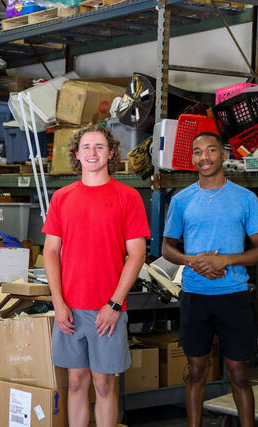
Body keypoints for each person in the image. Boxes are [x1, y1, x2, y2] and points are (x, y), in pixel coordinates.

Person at [162, 132, 258, 427]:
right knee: (196, 370)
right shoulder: (182, 200)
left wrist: (224, 260)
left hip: (233, 295)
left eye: (211, 150)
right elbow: (166, 248)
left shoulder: (245, 199)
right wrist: (192, 261)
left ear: (224, 154)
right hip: (194, 295)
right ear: (193, 158)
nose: (204, 157)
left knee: (238, 373)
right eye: (197, 152)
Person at [42, 125, 150, 427]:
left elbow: (137, 255)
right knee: (76, 382)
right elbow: (50, 252)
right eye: (86, 147)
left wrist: (114, 305)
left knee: (104, 384)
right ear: (76, 154)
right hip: (70, 309)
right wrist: (58, 303)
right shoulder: (62, 198)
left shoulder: (128, 197)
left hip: (108, 309)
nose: (92, 153)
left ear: (111, 152)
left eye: (99, 147)